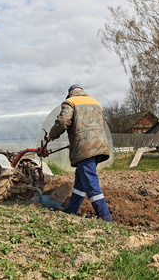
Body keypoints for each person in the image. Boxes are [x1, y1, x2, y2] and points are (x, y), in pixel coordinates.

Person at [46, 84, 112, 222]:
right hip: (100, 145)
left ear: (70, 93)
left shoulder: (71, 102)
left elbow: (63, 121)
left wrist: (52, 135)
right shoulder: (96, 102)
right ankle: (71, 210)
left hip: (84, 147)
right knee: (81, 181)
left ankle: (105, 218)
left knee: (91, 182)